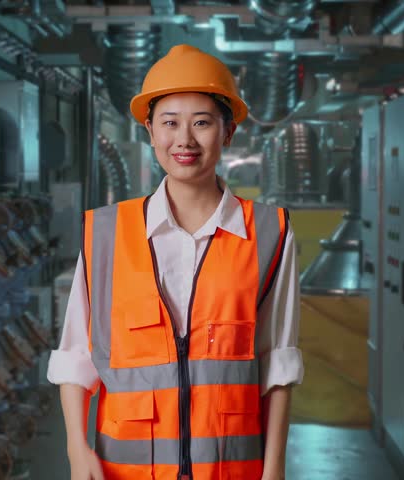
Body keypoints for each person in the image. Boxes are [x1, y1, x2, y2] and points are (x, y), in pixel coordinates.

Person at [47, 44, 303, 480]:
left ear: (228, 132)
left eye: (202, 122)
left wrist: (274, 466)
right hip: (125, 470)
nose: (184, 139)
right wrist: (76, 447)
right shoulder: (105, 233)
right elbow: (76, 355)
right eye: (169, 123)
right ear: (150, 131)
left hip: (230, 469)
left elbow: (277, 361)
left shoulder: (270, 232)